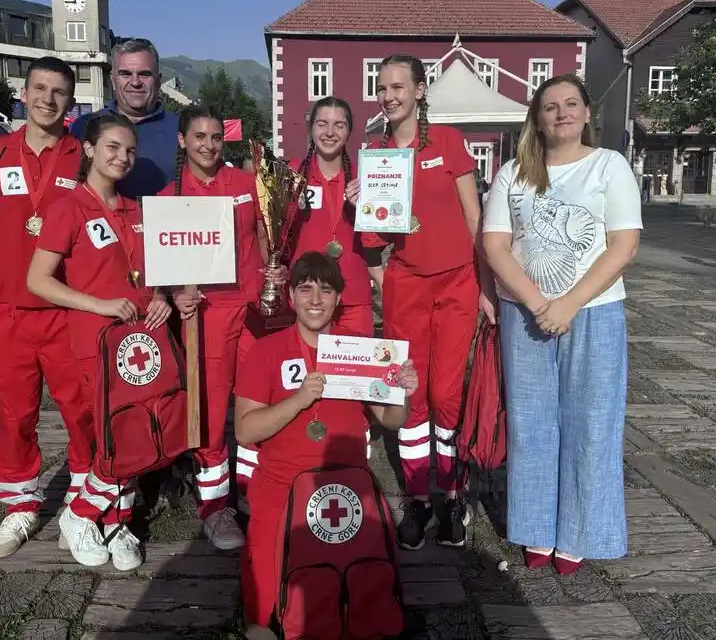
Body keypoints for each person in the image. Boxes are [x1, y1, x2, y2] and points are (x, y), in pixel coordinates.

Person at [482, 73, 642, 575]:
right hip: (525, 314)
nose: (561, 113)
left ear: (587, 113)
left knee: (591, 424)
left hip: (593, 313)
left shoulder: (608, 166)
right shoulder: (513, 173)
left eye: (571, 104)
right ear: (538, 118)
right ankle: (534, 528)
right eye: (550, 106)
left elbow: (623, 245)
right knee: (531, 424)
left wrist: (569, 303)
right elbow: (494, 245)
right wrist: (535, 301)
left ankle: (579, 531)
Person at [234, 251, 416, 634]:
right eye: (305, 289)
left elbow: (391, 421)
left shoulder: (360, 348)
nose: (315, 300)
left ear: (339, 298)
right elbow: (245, 432)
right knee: (263, 619)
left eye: (326, 290)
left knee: (365, 604)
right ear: (290, 296)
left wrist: (403, 393)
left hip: (345, 489)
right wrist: (299, 400)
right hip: (281, 492)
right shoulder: (266, 350)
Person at [25, 113, 172, 570]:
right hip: (96, 342)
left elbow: (153, 272)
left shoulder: (138, 209)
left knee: (135, 431)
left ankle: (118, 522)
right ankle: (85, 515)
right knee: (109, 436)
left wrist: (163, 295)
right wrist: (99, 304)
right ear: (88, 149)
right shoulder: (67, 208)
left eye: (129, 150)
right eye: (112, 147)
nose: (122, 157)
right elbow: (38, 281)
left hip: (141, 347)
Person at [361, 54, 494, 551]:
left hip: (457, 283)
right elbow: (373, 238)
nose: (389, 95)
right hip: (407, 289)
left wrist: (485, 286)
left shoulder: (449, 142)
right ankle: (418, 498)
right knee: (411, 396)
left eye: (399, 86)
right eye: (382, 87)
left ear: (420, 90)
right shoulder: (375, 153)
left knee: (445, 394)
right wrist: (385, 280)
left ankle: (453, 496)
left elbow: (474, 217)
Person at [0, 56, 95, 559]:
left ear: (70, 101)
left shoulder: (82, 156)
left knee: (80, 411)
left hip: (64, 311)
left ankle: (86, 502)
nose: (48, 99)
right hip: (8, 311)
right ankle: (20, 507)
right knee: (14, 414)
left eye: (58, 91)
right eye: (39, 89)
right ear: (23, 93)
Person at [160, 105, 285, 550]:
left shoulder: (248, 184)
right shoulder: (168, 196)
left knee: (257, 404)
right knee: (210, 413)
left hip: (253, 312)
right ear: (182, 142)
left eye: (216, 136)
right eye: (199, 137)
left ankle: (255, 494)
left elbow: (269, 237)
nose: (209, 145)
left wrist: (275, 269)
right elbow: (162, 265)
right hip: (207, 316)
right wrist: (176, 293)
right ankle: (215, 507)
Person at [289, 97, 375, 337]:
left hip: (353, 296)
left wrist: (364, 212)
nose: (329, 132)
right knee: (312, 371)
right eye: (322, 124)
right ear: (311, 128)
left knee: (353, 374)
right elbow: (273, 234)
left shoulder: (366, 177)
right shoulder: (291, 176)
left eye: (339, 125)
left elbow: (381, 239)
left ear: (349, 132)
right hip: (309, 294)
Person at [69, 39, 179, 199]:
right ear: (113, 80)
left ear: (158, 80)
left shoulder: (182, 129)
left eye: (144, 74)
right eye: (125, 74)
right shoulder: (84, 126)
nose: (135, 82)